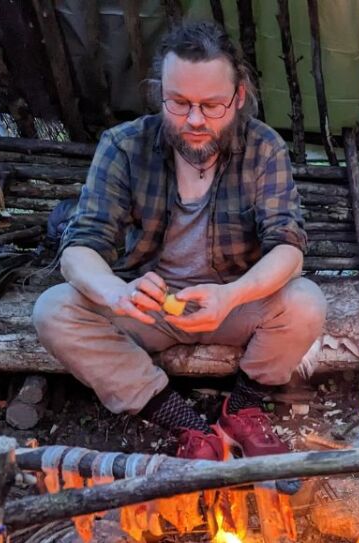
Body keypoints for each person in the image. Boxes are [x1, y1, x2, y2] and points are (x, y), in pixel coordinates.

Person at [33, 21, 326, 461]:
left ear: (238, 98)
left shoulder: (264, 148)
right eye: (179, 103)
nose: (194, 120)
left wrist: (232, 295)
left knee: (306, 303)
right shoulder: (124, 145)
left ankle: (243, 408)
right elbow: (80, 247)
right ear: (160, 93)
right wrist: (117, 292)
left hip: (232, 305)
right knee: (53, 309)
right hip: (147, 308)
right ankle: (183, 422)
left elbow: (288, 246)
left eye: (211, 106)